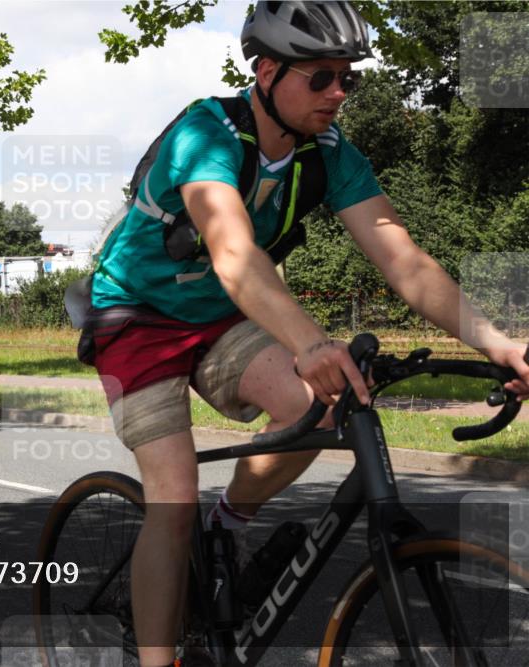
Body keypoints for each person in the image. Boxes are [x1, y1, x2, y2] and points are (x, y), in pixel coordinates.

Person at [86, 2, 529, 666]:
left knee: (323, 403)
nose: (338, 93)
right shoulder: (203, 134)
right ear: (265, 70)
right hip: (135, 317)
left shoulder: (330, 156)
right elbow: (233, 252)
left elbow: (405, 263)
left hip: (221, 319)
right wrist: (310, 341)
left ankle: (227, 525)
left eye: (348, 78)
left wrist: (499, 342)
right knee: (172, 496)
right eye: (320, 77)